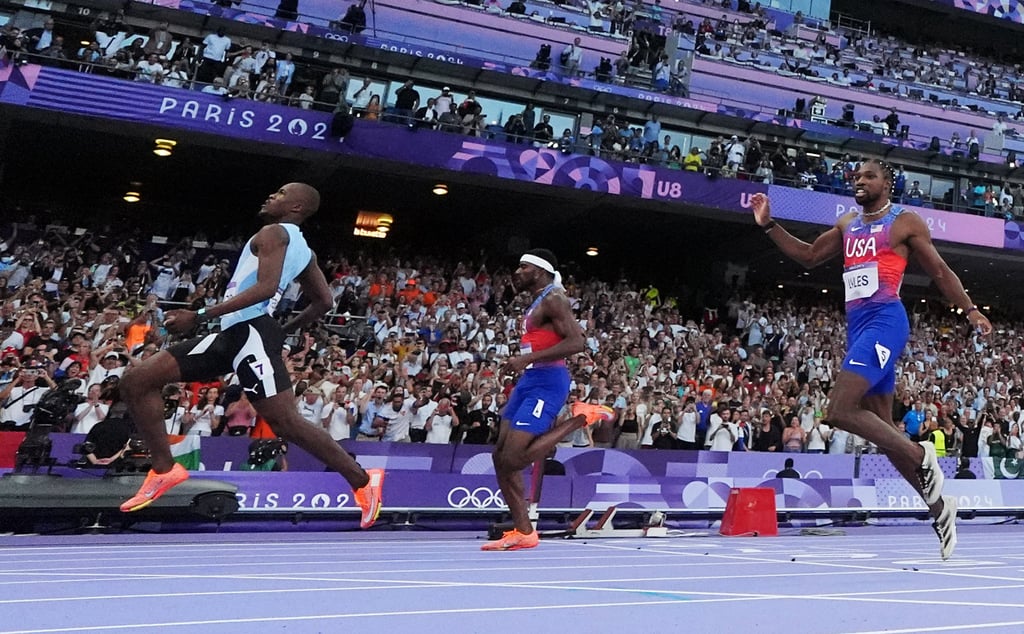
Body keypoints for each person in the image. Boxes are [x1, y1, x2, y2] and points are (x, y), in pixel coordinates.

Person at [750, 159, 993, 560]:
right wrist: (769, 224)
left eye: (869, 176)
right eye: (856, 177)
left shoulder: (905, 222)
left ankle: (922, 455)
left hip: (886, 321)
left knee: (840, 410)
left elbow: (940, 270)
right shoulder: (848, 224)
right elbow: (809, 256)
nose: (859, 181)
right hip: (858, 327)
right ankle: (939, 506)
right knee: (884, 431)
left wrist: (970, 310)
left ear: (888, 183)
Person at [118, 183, 384, 528]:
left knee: (285, 422)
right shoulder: (303, 248)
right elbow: (323, 302)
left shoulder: (273, 232)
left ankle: (364, 481)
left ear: (297, 207)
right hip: (234, 334)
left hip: (249, 333)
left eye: (281, 193)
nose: (271, 194)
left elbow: (266, 288)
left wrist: (199, 316)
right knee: (137, 380)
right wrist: (284, 330)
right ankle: (165, 470)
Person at [482, 249, 613, 551]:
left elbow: (577, 341)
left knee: (514, 457)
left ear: (540, 271)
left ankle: (581, 418)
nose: (517, 271)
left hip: (548, 382)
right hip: (530, 380)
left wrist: (527, 357)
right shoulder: (539, 300)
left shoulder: (555, 297)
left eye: (523, 267)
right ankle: (523, 532)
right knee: (501, 459)